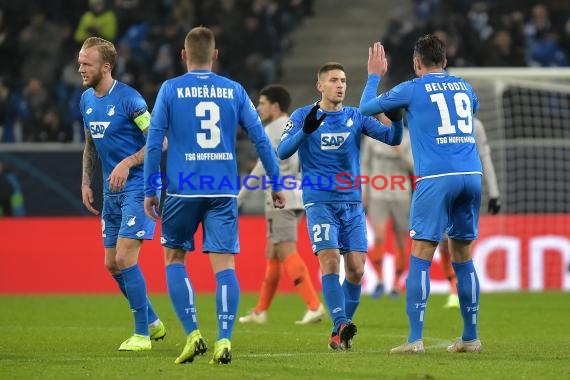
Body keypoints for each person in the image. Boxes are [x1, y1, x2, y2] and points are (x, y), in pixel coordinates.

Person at [143, 26, 285, 365]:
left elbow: (153, 142)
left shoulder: (170, 89)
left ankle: (193, 334)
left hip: (182, 189)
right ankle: (224, 339)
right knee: (224, 266)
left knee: (175, 259)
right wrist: (277, 181)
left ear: (184, 55)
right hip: (222, 188)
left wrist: (151, 188)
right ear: (215, 56)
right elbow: (261, 140)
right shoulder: (234, 90)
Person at [360, 35, 483, 354]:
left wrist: (374, 74)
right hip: (471, 174)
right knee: (463, 254)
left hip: (436, 176)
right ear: (444, 61)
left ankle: (415, 339)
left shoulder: (411, 88)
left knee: (421, 251)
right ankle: (471, 338)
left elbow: (364, 108)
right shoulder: (465, 87)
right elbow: (471, 111)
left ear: (416, 63)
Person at [277, 62, 403, 351]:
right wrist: (305, 131)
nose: (340, 85)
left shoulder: (355, 117)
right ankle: (341, 323)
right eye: (334, 80)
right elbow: (282, 151)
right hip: (320, 201)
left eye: (344, 80)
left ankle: (339, 330)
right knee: (331, 260)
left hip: (352, 203)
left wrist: (396, 120)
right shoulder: (302, 116)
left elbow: (393, 138)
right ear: (320, 85)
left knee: (357, 269)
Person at [78, 37, 165, 352]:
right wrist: (87, 181)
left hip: (138, 187)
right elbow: (90, 144)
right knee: (111, 264)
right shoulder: (86, 100)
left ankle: (142, 335)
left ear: (106, 66)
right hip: (109, 190)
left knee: (126, 257)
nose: (80, 69)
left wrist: (128, 163)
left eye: (87, 64)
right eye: (80, 62)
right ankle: (154, 322)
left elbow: (158, 141)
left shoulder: (130, 100)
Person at [237, 84, 326, 325]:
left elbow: (262, 166)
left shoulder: (272, 130)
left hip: (279, 200)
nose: (258, 107)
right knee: (273, 253)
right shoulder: (296, 125)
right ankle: (260, 311)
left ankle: (314, 305)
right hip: (296, 196)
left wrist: (241, 197)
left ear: (275, 107)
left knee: (286, 251)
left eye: (263, 103)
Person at [440, 117, 501, 308]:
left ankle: (461, 292)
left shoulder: (476, 125)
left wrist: (494, 192)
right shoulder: (440, 119)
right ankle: (453, 287)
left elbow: (485, 157)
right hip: (443, 186)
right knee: (443, 242)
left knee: (463, 243)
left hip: (466, 188)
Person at [361, 117, 413, 299]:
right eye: (381, 115)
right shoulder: (371, 138)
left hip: (401, 193)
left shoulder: (407, 137)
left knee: (401, 240)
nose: (383, 118)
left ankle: (397, 284)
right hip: (377, 194)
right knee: (379, 237)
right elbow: (364, 165)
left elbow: (414, 167)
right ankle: (381, 280)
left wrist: (400, 152)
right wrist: (363, 190)